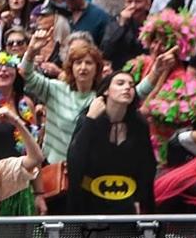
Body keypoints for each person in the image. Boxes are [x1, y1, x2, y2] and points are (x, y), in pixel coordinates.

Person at [64, 71, 160, 215]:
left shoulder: (139, 124)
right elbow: (74, 161)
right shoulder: (88, 120)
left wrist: (141, 200)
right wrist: (90, 119)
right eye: (120, 83)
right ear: (106, 91)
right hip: (89, 202)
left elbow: (147, 166)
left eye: (131, 85)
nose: (127, 87)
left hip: (125, 201)